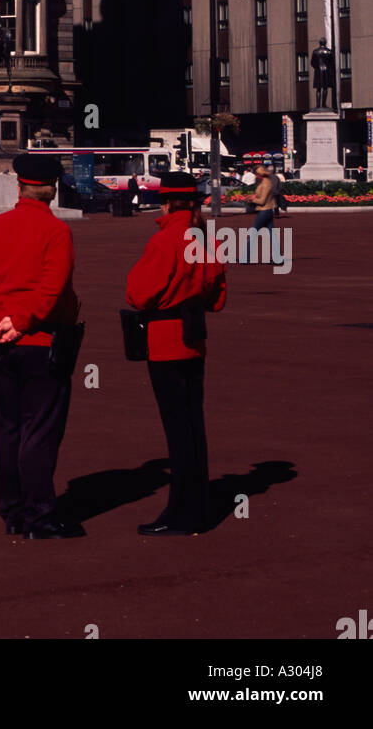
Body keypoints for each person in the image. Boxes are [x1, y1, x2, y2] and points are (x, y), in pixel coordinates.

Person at [0, 153, 83, 540]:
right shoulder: (56, 231)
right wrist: (20, 324)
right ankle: (39, 515)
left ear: (19, 186)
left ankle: (12, 512)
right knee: (41, 431)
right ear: (51, 191)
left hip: (1, 340)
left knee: (7, 430)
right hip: (42, 339)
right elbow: (52, 287)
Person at [125, 172, 226, 536]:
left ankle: (183, 512)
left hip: (166, 338)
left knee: (177, 430)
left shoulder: (165, 239)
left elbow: (138, 294)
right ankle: (195, 506)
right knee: (193, 425)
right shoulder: (205, 238)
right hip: (195, 337)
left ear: (165, 201)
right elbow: (218, 298)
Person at [250, 164, 277, 230]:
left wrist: (252, 199)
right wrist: (255, 196)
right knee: (271, 231)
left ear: (259, 174)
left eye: (256, 174)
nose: (255, 176)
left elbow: (262, 201)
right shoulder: (265, 182)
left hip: (264, 210)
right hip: (268, 210)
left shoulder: (265, 183)